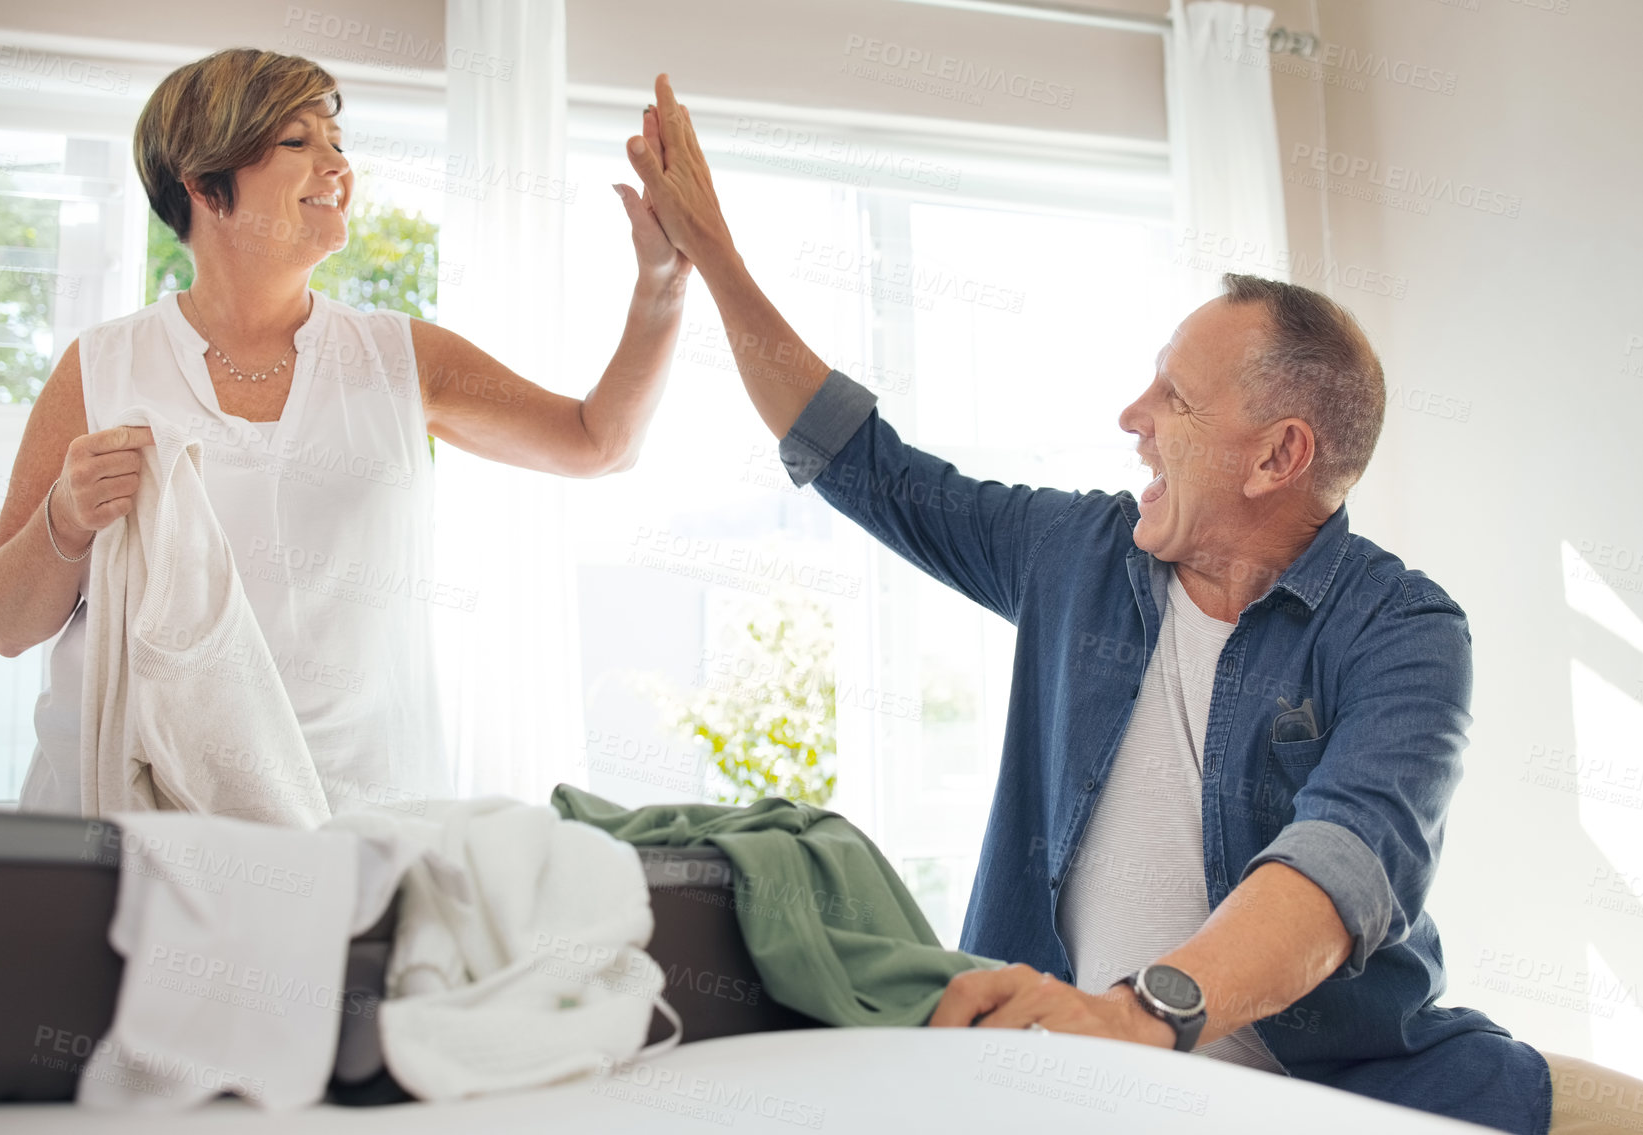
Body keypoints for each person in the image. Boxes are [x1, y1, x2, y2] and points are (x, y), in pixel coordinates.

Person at [620, 73, 1643, 1135]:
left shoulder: (1403, 631)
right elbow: (861, 463)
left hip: (1348, 1084)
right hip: (1064, 1078)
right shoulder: (1077, 553)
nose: (1132, 417)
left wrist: (1143, 1012)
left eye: (1176, 399)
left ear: (1278, 456)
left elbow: (1342, 864)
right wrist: (716, 259)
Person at [0, 49, 690, 816]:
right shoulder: (104, 366)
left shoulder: (400, 359)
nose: (337, 166)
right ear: (204, 184)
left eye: (338, 143)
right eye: (297, 142)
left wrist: (662, 279)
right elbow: (4, 624)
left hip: (354, 825)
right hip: (122, 830)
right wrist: (65, 518)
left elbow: (597, 440)